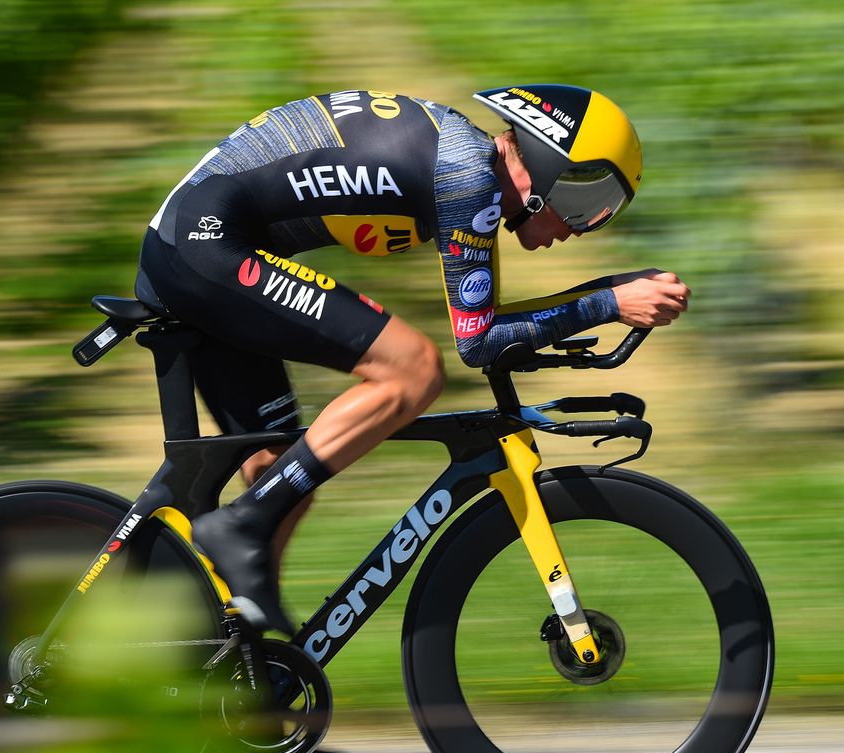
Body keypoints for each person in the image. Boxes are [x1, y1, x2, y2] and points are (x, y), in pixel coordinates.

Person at [135, 85, 690, 636]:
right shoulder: (467, 175)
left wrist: (604, 297)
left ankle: (231, 659)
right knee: (414, 369)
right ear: (547, 165)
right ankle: (242, 527)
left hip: (196, 243)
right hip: (205, 244)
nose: (580, 228)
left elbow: (485, 322)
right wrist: (608, 301)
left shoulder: (465, 168)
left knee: (278, 470)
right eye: (586, 205)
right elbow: (478, 342)